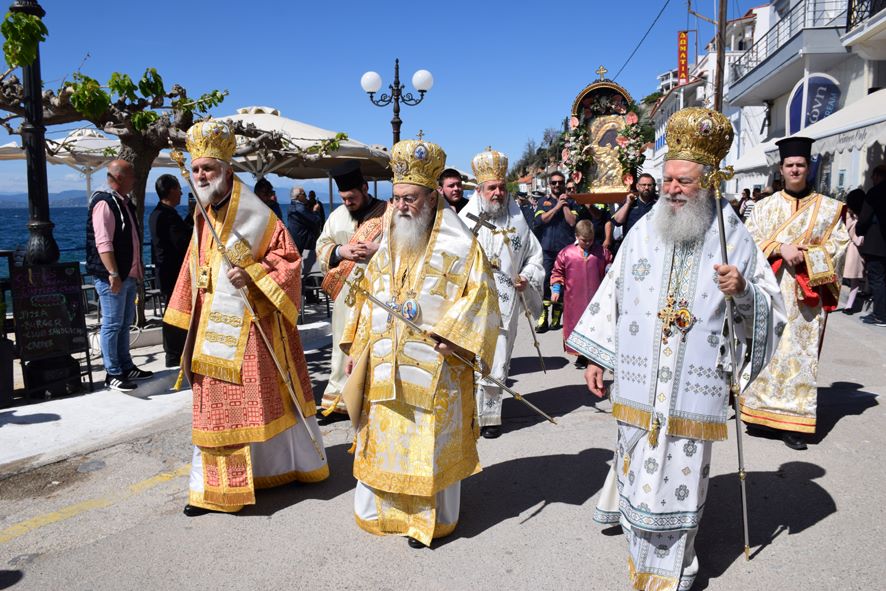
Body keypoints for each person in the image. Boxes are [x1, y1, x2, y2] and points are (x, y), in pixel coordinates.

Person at [568, 107, 785, 591]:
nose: (672, 189)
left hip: (694, 385)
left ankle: (673, 569)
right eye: (667, 179)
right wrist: (597, 357)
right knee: (635, 461)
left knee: (678, 475)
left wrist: (744, 291)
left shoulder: (734, 239)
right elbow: (614, 293)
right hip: (639, 377)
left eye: (684, 182)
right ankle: (638, 549)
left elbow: (774, 310)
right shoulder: (645, 230)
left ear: (708, 183)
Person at [340, 138, 500, 549]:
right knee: (387, 439)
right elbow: (365, 294)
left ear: (432, 198)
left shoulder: (461, 246)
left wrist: (454, 335)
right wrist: (356, 349)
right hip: (385, 364)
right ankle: (384, 511)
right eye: (396, 199)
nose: (403, 206)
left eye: (410, 198)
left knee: (425, 445)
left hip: (436, 365)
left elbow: (480, 296)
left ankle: (426, 521)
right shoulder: (389, 241)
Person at [163, 120, 328, 516]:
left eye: (209, 168)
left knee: (257, 400)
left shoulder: (258, 214)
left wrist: (252, 274)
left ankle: (279, 468)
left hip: (251, 324)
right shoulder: (202, 213)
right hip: (211, 325)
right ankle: (214, 489)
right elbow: (194, 263)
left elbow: (287, 261)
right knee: (215, 405)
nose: (202, 175)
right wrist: (182, 314)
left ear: (227, 170)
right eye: (198, 169)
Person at [742, 136, 849, 450]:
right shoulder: (764, 208)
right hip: (772, 289)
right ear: (781, 168)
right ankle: (760, 415)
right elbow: (748, 242)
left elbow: (838, 247)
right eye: (790, 165)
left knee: (799, 356)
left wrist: (805, 256)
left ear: (808, 167)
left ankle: (794, 424)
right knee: (769, 350)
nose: (795, 169)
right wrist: (780, 248)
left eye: (800, 164)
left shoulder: (828, 210)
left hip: (806, 294)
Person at [459, 147, 544, 438]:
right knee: (471, 359)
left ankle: (491, 418)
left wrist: (527, 277)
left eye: (500, 187)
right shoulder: (464, 222)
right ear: (479, 190)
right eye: (491, 187)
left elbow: (535, 257)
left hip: (506, 304)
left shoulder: (518, 225)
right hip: (472, 304)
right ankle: (470, 414)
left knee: (497, 358)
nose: (497, 192)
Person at [315, 160, 387, 415]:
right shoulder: (336, 216)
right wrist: (340, 250)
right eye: (344, 198)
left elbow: (403, 249)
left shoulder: (387, 214)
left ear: (365, 188)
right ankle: (339, 403)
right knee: (341, 345)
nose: (347, 203)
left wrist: (377, 249)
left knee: (375, 344)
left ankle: (373, 400)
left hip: (377, 294)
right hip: (346, 295)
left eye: (352, 198)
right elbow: (321, 245)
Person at [86, 159, 153, 392]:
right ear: (120, 177)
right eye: (132, 175)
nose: (135, 179)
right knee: (112, 324)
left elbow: (131, 239)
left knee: (124, 322)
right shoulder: (105, 203)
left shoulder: (124, 203)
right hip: (113, 276)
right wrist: (112, 272)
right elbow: (103, 242)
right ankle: (112, 372)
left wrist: (136, 268)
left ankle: (125, 365)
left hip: (128, 273)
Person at [550, 219, 610, 369]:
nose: (588, 243)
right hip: (574, 299)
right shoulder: (566, 253)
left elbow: (610, 263)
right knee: (577, 326)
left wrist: (609, 269)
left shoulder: (601, 252)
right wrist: (556, 289)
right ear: (576, 236)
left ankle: (596, 357)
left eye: (591, 240)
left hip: (596, 298)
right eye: (584, 240)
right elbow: (558, 272)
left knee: (596, 326)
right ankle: (581, 356)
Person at [149, 174, 191, 367]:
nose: (181, 193)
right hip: (171, 271)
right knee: (174, 311)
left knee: (172, 310)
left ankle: (176, 351)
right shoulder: (166, 215)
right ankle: (174, 353)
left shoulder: (159, 213)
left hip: (165, 271)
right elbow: (182, 241)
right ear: (171, 190)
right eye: (179, 189)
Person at [533, 170, 579, 332]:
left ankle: (556, 317)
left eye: (560, 182)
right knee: (544, 282)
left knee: (563, 283)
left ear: (564, 183)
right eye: (554, 183)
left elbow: (572, 222)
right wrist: (556, 207)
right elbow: (540, 220)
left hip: (566, 249)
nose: (557, 185)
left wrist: (564, 205)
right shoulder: (543, 202)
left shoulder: (572, 202)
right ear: (549, 185)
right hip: (547, 248)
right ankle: (543, 318)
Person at [856, 165, 886, 326]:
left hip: (876, 244)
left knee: (877, 279)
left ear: (877, 176)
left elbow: (864, 218)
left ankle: (881, 315)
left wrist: (859, 230)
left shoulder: (875, 193)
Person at [286, 185, 324, 287]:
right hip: (305, 243)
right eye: (304, 194)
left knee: (303, 272)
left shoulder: (291, 207)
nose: (306, 196)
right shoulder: (300, 208)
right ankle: (309, 293)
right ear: (298, 196)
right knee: (309, 271)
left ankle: (307, 294)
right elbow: (316, 220)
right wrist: (316, 211)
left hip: (296, 242)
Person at [841, 188, 866, 315]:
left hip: (846, 247)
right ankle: (849, 305)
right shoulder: (862, 215)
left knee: (839, 276)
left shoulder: (847, 213)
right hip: (855, 249)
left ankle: (836, 303)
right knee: (855, 279)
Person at [611, 173, 657, 239]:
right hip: (633, 244)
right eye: (643, 185)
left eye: (649, 185)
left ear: (653, 186)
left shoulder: (658, 203)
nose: (646, 187)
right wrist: (628, 204)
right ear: (637, 186)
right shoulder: (630, 202)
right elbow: (617, 222)